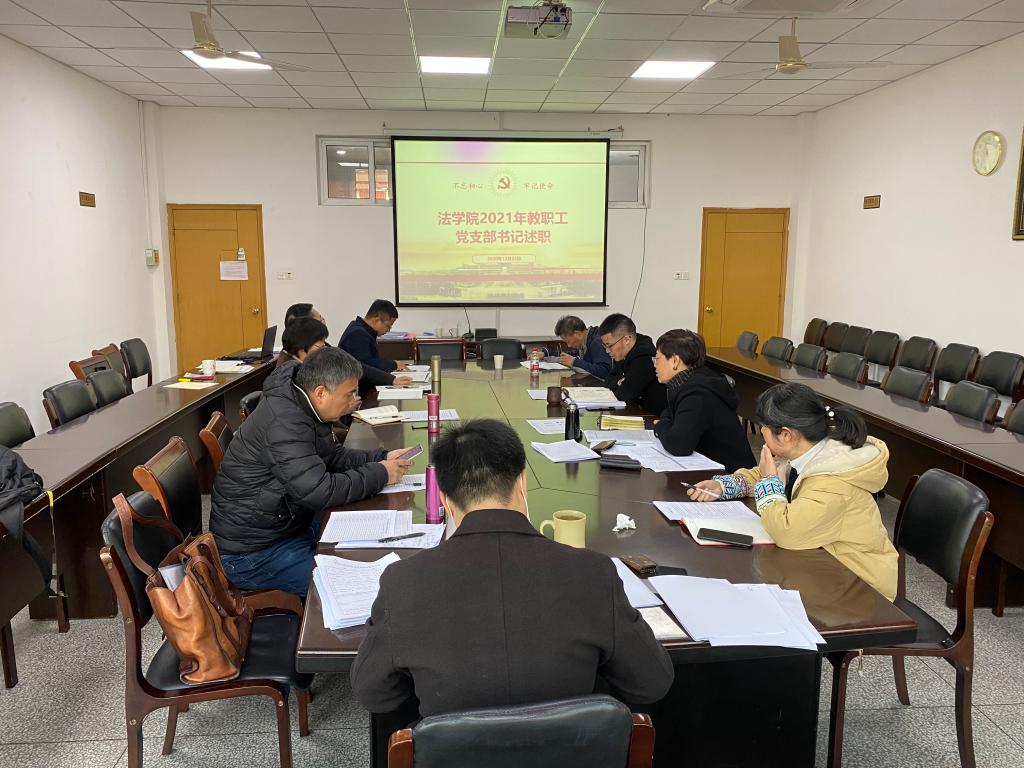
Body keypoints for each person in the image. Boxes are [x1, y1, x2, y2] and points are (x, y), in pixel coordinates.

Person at [351, 419, 674, 717]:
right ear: (522, 482)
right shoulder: (593, 572)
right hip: (573, 750)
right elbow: (651, 683)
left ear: (445, 499)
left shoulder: (404, 581)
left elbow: (376, 695)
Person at [212, 347, 415, 596]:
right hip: (253, 552)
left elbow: (332, 456)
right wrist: (380, 474)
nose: (354, 399)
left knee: (371, 543)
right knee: (352, 589)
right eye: (349, 393)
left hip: (288, 524)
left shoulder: (302, 403)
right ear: (320, 393)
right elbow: (318, 491)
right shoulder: (285, 421)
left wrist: (381, 458)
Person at [687, 382, 897, 600]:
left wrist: (768, 481)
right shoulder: (806, 450)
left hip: (858, 584)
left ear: (786, 435)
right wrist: (724, 486)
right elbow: (764, 473)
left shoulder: (834, 480)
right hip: (819, 559)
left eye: (763, 428)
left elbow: (787, 532)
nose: (761, 434)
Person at [652, 329, 754, 472]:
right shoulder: (688, 382)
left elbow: (678, 445)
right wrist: (666, 424)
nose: (654, 365)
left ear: (675, 361)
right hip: (711, 468)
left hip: (733, 476)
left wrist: (660, 426)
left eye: (657, 359)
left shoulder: (697, 393)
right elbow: (668, 414)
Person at [597, 313, 667, 414]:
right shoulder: (623, 352)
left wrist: (622, 382)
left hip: (651, 415)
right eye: (605, 346)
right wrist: (621, 381)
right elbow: (608, 380)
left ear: (626, 340)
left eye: (609, 345)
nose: (607, 351)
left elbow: (625, 395)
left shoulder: (644, 357)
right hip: (635, 410)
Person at [338, 299, 412, 391]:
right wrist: (392, 370)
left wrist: (393, 365)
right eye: (388, 326)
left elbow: (371, 360)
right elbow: (364, 366)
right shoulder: (358, 333)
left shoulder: (362, 330)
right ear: (376, 320)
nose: (388, 330)